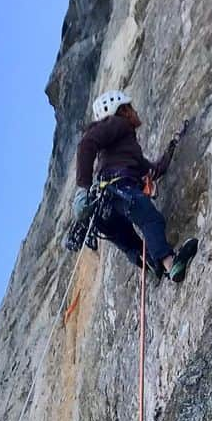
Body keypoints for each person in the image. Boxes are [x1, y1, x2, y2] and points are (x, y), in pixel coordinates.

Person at [73, 90, 197, 282]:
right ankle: (170, 263)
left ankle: (150, 262)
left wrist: (172, 146)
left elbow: (152, 170)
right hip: (119, 189)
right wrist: (83, 187)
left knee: (129, 241)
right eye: (130, 107)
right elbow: (86, 143)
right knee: (150, 219)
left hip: (104, 209)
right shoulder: (117, 123)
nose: (135, 111)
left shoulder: (126, 149)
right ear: (121, 110)